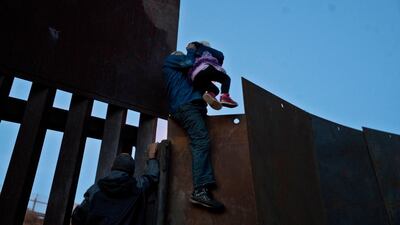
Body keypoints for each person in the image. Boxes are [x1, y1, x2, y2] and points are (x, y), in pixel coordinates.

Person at [162, 51, 224, 210]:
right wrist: (191, 50)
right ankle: (200, 190)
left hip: (194, 106)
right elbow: (189, 62)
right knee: (201, 140)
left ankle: (202, 187)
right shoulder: (171, 60)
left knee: (201, 140)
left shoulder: (186, 76)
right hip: (186, 107)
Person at [71, 143, 160, 225]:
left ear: (112, 167)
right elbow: (152, 177)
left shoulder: (95, 189)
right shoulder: (137, 187)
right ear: (132, 171)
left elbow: (78, 217)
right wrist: (152, 156)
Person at [186, 41, 238, 110]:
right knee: (226, 79)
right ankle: (224, 97)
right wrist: (221, 70)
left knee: (215, 90)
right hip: (205, 68)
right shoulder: (206, 50)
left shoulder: (193, 54)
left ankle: (210, 95)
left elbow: (188, 63)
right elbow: (220, 56)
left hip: (194, 78)